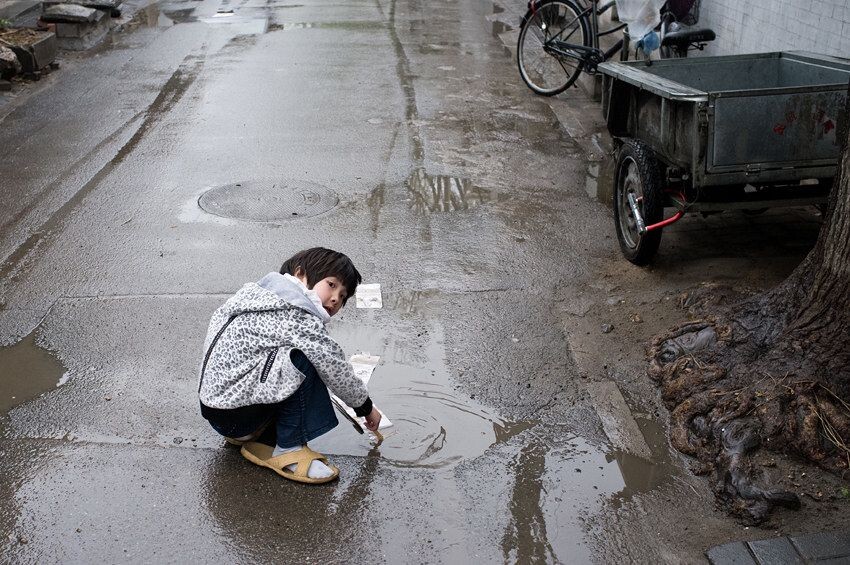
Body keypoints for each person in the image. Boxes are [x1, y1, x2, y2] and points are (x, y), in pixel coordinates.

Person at [198, 247, 381, 484]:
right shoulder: (298, 314)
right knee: (307, 358)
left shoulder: (255, 295)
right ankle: (288, 449)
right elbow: (335, 367)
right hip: (237, 416)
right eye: (332, 284)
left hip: (217, 410)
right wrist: (365, 406)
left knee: (287, 357)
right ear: (300, 274)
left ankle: (256, 436)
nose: (336, 298)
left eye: (343, 296)